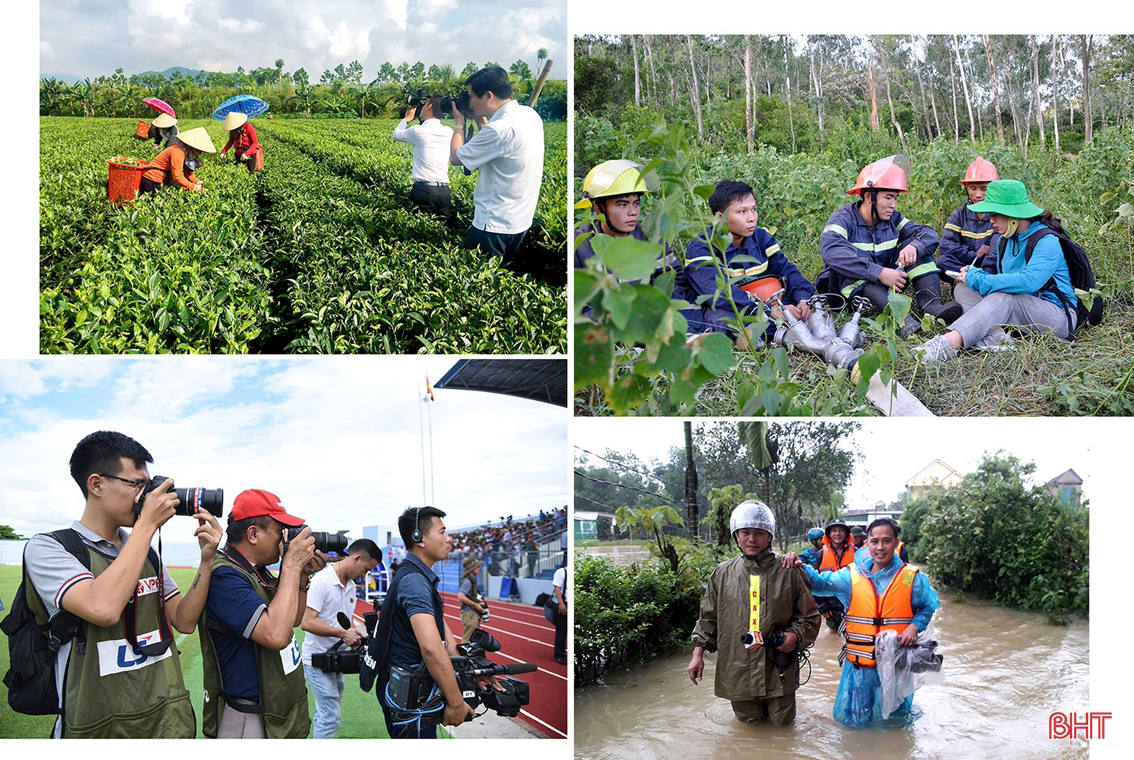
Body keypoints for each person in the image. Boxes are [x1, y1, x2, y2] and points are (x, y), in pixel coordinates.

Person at [22, 430, 223, 738]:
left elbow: (184, 620)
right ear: (96, 484)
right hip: (98, 727)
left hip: (163, 721)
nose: (146, 497)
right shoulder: (49, 548)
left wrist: (207, 561)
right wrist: (147, 525)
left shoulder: (144, 551)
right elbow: (102, 608)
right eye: (137, 485)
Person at [782, 517, 941, 728]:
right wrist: (798, 565)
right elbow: (819, 582)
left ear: (896, 543)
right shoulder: (852, 575)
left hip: (896, 667)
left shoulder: (911, 578)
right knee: (854, 725)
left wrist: (914, 626)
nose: (880, 547)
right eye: (874, 541)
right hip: (858, 668)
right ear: (867, 543)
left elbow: (927, 606)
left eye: (886, 541)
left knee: (894, 726)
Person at [198, 489, 326, 738]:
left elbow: (293, 621)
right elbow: (276, 634)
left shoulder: (259, 571)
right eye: (280, 532)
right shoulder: (224, 575)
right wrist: (290, 565)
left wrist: (301, 576)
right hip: (249, 714)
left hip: (276, 706)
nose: (283, 542)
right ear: (253, 534)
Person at [917, 179, 1081, 364]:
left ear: (1013, 214)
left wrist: (981, 279)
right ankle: (997, 337)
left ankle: (946, 344)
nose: (990, 219)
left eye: (995, 214)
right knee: (962, 288)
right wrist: (973, 275)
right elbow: (1006, 280)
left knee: (1005, 298)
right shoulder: (1006, 239)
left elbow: (1029, 282)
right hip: (1021, 310)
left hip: (1058, 317)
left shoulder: (1046, 240)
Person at [686, 501, 820, 726]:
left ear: (769, 536)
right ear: (736, 536)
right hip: (737, 667)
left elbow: (810, 616)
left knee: (784, 726)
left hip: (779, 667)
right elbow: (708, 617)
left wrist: (795, 636)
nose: (752, 539)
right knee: (749, 727)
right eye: (745, 532)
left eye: (759, 533)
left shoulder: (790, 572)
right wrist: (697, 654)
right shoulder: (722, 573)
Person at [817, 156, 962, 337]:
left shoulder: (892, 218)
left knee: (918, 248)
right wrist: (880, 273)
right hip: (847, 292)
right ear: (869, 197)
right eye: (888, 198)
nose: (893, 205)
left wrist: (915, 247)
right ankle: (902, 320)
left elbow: (928, 233)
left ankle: (932, 307)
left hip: (885, 283)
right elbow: (831, 251)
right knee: (854, 268)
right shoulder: (843, 218)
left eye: (895, 198)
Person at [362, 506, 475, 738]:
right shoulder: (414, 581)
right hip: (410, 694)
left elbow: (439, 626)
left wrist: (465, 664)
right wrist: (456, 703)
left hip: (407, 686)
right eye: (442, 532)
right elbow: (432, 648)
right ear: (419, 539)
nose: (448, 538)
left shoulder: (415, 574)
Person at [685, 180, 815, 348]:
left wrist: (803, 300)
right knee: (720, 317)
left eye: (754, 209)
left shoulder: (762, 238)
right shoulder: (702, 248)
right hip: (734, 308)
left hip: (769, 303)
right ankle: (771, 333)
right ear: (719, 217)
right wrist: (770, 311)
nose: (752, 218)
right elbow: (720, 294)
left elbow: (788, 271)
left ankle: (763, 334)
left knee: (807, 309)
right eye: (742, 212)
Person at [575, 159, 698, 321]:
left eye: (636, 203)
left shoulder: (651, 237)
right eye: (622, 204)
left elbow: (674, 284)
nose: (633, 212)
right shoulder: (579, 245)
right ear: (598, 208)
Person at [450, 66, 544, 259]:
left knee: (479, 284)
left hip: (492, 227)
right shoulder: (530, 115)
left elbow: (456, 158)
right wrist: (478, 118)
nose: (469, 101)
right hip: (519, 222)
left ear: (488, 96)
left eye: (471, 96)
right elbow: (496, 144)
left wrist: (459, 122)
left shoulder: (498, 130)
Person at [301, 538, 383, 739]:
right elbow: (307, 623)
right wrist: (341, 634)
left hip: (337, 660)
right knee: (330, 717)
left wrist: (354, 636)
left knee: (326, 713)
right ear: (356, 558)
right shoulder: (323, 581)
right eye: (366, 569)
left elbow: (347, 621)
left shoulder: (352, 586)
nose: (366, 575)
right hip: (317, 659)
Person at [936, 157, 1000, 290]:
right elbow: (946, 246)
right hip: (967, 263)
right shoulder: (959, 214)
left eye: (984, 189)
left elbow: (995, 252)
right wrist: (974, 254)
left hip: (991, 266)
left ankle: (973, 282)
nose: (978, 195)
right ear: (967, 189)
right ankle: (963, 283)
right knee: (942, 262)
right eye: (973, 188)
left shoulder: (999, 215)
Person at [394, 96, 455, 219]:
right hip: (444, 192)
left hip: (424, 191)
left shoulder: (418, 131)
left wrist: (406, 119)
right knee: (440, 232)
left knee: (420, 233)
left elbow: (396, 135)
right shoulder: (449, 131)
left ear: (430, 106)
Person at [140, 126, 215, 193]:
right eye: (198, 151)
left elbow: (188, 173)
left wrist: (197, 182)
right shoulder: (178, 152)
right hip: (152, 180)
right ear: (192, 147)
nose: (199, 154)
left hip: (160, 179)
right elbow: (177, 176)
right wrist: (193, 187)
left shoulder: (187, 153)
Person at [458, 556, 488, 643]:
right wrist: (475, 605)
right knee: (468, 638)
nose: (480, 568)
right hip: (469, 612)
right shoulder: (468, 581)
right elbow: (461, 596)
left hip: (471, 612)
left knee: (473, 637)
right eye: (478, 566)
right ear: (472, 569)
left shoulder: (471, 580)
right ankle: (464, 655)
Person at [552, 563, 568, 665]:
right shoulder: (561, 572)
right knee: (562, 631)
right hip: (565, 603)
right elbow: (557, 588)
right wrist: (561, 603)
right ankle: (559, 655)